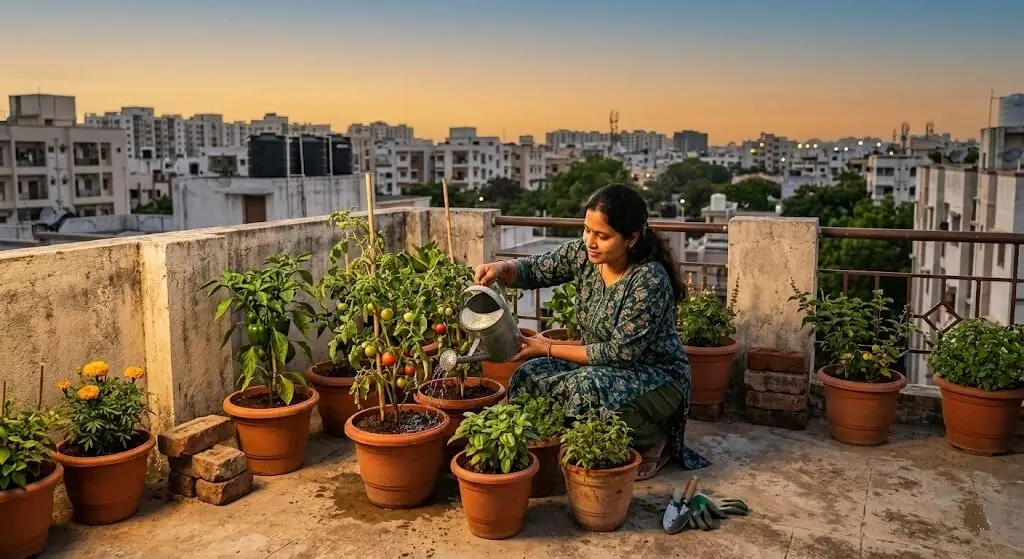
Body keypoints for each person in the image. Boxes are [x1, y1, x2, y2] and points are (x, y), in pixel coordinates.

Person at [474, 183, 709, 480]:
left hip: (655, 377)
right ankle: (560, 445)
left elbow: (618, 353)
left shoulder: (648, 279)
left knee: (584, 389)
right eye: (587, 230)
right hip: (601, 366)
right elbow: (538, 268)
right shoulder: (585, 255)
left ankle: (654, 438)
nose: (590, 241)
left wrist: (545, 346)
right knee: (528, 375)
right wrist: (502, 267)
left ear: (632, 237)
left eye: (602, 236)